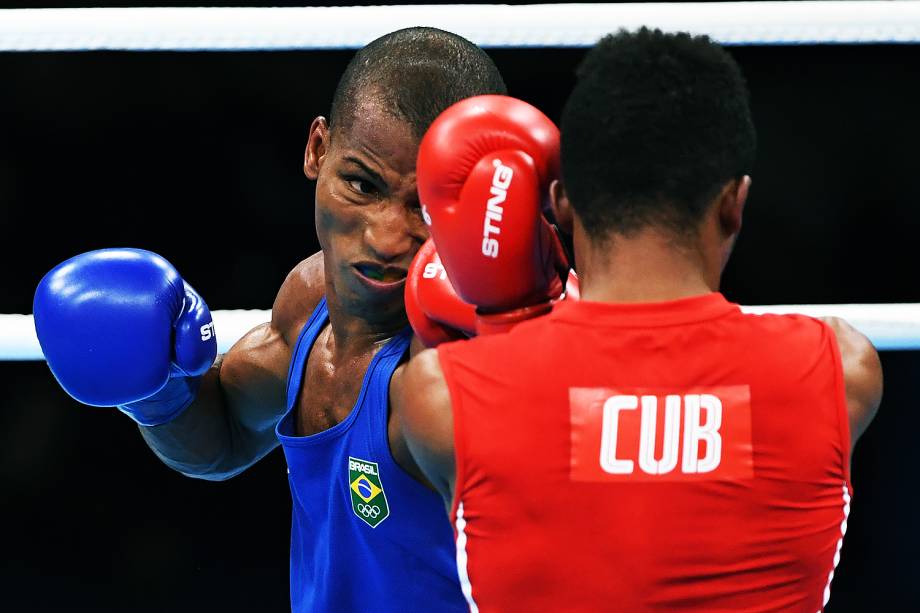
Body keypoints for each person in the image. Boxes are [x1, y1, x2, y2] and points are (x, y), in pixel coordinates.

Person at [33, 27, 567, 612]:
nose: (388, 238)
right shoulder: (309, 298)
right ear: (317, 149)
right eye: (362, 185)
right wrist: (157, 395)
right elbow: (226, 437)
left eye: (427, 205)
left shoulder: (466, 361)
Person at [396, 28, 883, 611]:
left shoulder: (441, 397)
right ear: (735, 204)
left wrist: (506, 315)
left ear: (564, 201)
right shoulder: (841, 371)